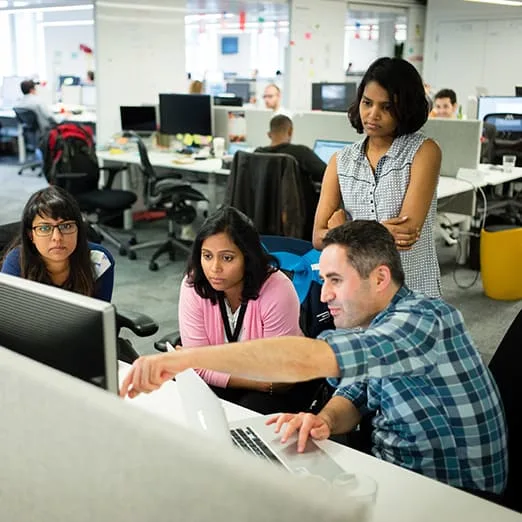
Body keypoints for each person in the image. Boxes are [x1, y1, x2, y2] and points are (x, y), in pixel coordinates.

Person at [121, 220, 507, 496]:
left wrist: (186, 360)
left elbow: (304, 359)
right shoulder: (371, 325)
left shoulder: (423, 321)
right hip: (392, 471)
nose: (323, 296)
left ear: (380, 278)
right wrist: (324, 419)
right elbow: (355, 395)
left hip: (452, 495)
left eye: (335, 281)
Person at [312, 57, 442, 298]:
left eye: (387, 107)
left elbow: (405, 235)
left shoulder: (424, 151)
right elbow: (318, 237)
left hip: (411, 288)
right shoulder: (341, 161)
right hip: (357, 293)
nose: (373, 114)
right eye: (367, 103)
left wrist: (343, 230)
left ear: (406, 108)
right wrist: (378, 232)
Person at [176, 206, 317, 414]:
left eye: (227, 258)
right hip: (252, 381)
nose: (215, 268)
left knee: (251, 411)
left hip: (286, 385)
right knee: (178, 396)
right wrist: (260, 382)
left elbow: (278, 377)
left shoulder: (278, 289)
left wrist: (202, 364)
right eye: (207, 256)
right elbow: (197, 364)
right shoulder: (193, 283)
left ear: (247, 257)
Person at [1, 186, 114, 302]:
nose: (57, 238)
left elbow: (101, 316)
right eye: (45, 228)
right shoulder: (16, 263)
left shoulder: (99, 260)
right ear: (31, 235)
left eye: (66, 226)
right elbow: (9, 317)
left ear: (78, 230)